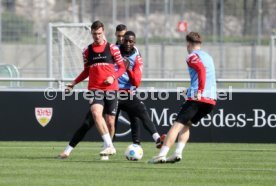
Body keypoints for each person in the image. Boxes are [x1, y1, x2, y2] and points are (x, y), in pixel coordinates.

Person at [58, 27, 163, 159]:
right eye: (121, 37)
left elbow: (136, 81)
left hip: (124, 92)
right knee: (90, 122)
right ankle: (69, 150)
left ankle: (156, 139)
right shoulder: (112, 49)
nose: (124, 41)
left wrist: (127, 68)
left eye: (127, 39)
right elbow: (91, 69)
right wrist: (75, 82)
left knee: (138, 112)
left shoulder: (136, 54)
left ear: (134, 42)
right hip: (107, 90)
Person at [148, 31, 217, 164]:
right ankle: (177, 153)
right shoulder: (209, 57)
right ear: (200, 43)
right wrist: (192, 89)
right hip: (211, 101)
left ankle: (161, 155)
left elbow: (201, 70)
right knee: (186, 125)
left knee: (176, 126)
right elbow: (207, 76)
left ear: (188, 44)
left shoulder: (192, 56)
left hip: (198, 98)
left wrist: (199, 91)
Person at [62, 20, 125, 158]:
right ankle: (109, 145)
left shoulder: (113, 48)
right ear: (91, 33)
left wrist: (113, 77)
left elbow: (122, 67)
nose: (97, 36)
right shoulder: (86, 51)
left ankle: (106, 150)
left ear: (103, 32)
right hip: (95, 89)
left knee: (110, 122)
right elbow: (86, 71)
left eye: (99, 33)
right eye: (94, 33)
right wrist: (73, 83)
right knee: (96, 113)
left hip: (111, 89)